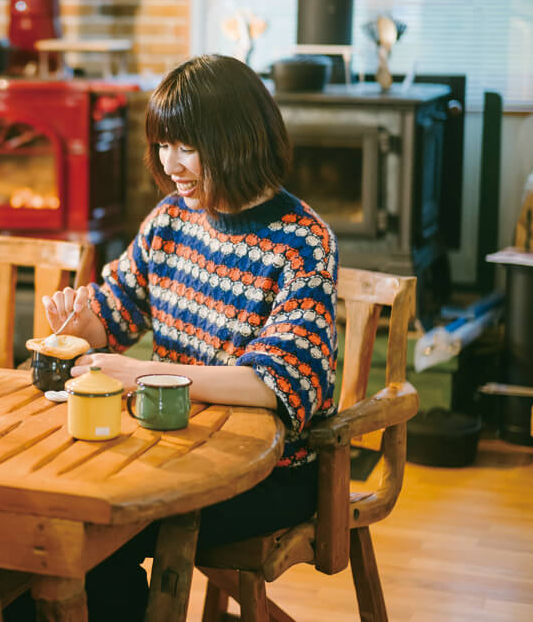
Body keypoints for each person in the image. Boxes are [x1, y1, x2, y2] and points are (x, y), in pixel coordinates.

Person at [41, 54, 338, 621]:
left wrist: (143, 373)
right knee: (48, 520)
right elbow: (118, 308)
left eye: (186, 146)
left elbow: (277, 383)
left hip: (269, 468)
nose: (169, 163)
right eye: (162, 145)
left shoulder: (304, 241)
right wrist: (85, 326)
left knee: (94, 534)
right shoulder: (170, 221)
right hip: (171, 445)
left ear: (237, 141)